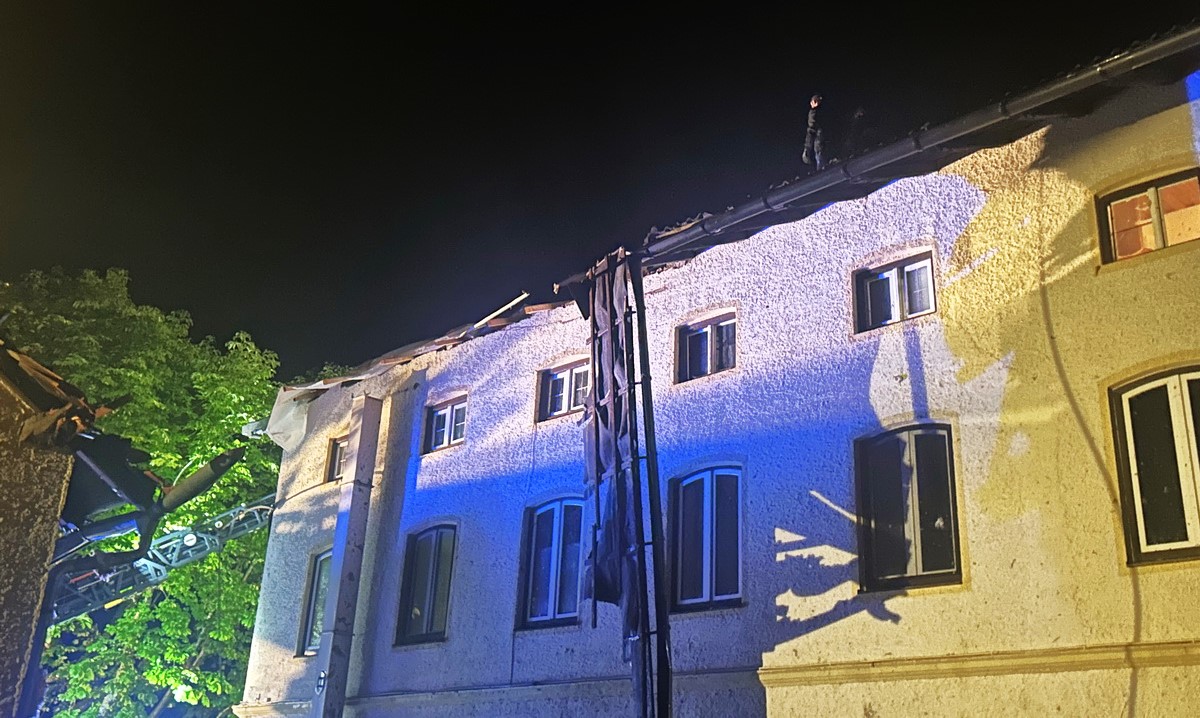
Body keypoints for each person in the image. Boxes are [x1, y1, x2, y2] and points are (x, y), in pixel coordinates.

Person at [802, 93, 825, 171]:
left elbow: (812, 126)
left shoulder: (814, 112)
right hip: (823, 136)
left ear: (814, 102)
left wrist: (807, 146)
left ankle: (821, 170)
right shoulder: (824, 111)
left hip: (818, 136)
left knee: (819, 153)